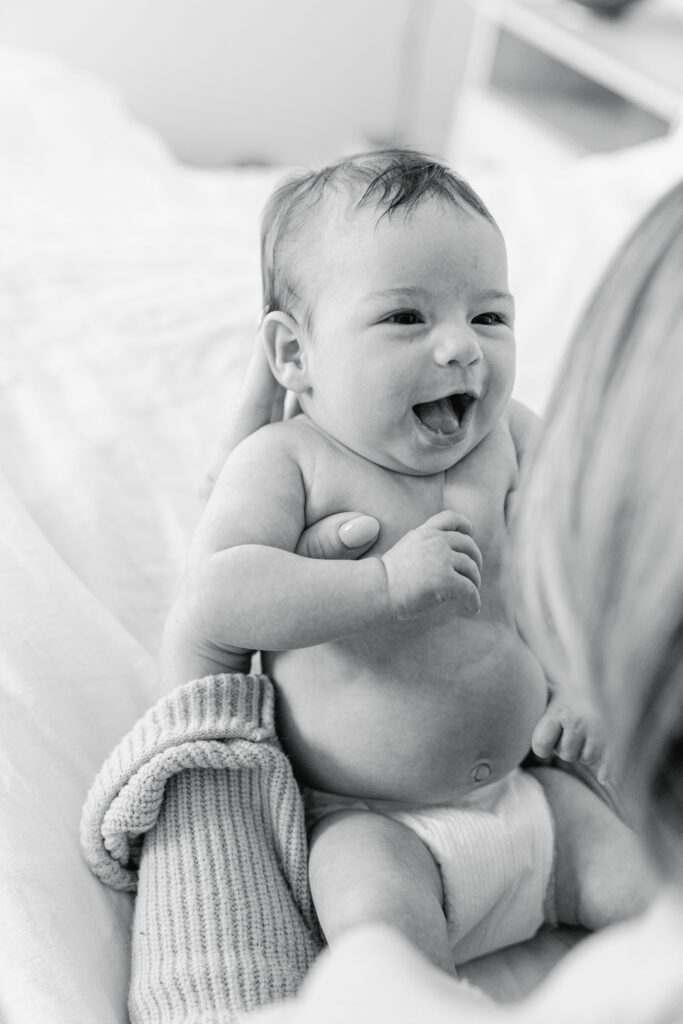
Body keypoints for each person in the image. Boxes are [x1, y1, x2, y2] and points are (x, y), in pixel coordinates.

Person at [159, 149, 652, 973]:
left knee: (654, 903)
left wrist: (585, 686)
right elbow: (219, 595)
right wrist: (379, 583)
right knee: (381, 940)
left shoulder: (512, 439)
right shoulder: (290, 461)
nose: (461, 347)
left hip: (535, 806)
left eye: (490, 318)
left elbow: (574, 562)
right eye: (405, 318)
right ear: (293, 356)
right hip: (371, 822)